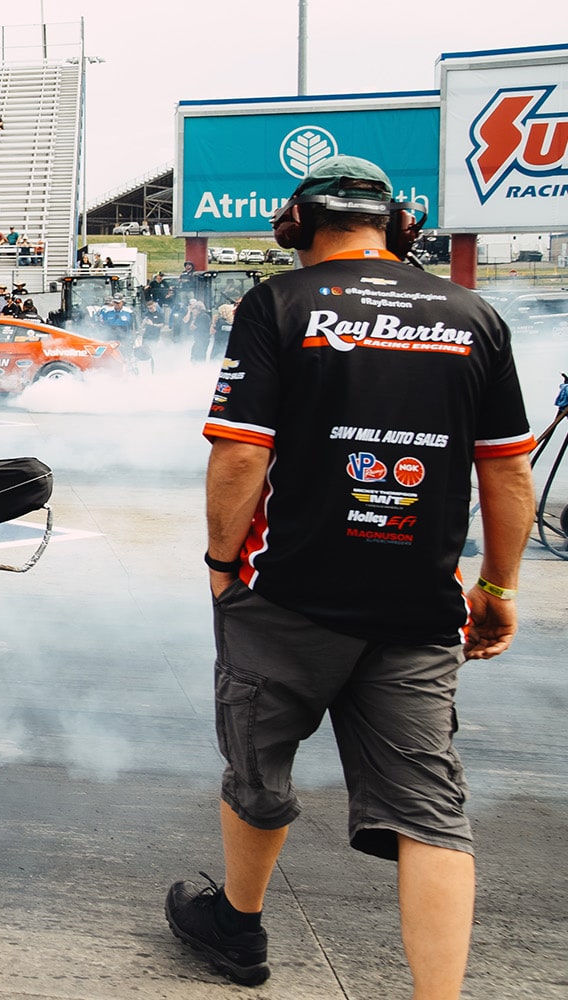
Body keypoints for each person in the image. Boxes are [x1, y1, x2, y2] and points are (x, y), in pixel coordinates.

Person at [168, 156, 537, 996]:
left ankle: (239, 926)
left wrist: (224, 568)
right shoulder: (474, 314)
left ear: (294, 226)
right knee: (432, 813)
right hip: (417, 607)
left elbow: (239, 453)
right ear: (399, 227)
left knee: (258, 768)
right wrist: (499, 589)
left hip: (288, 592)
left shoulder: (278, 304)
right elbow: (508, 473)